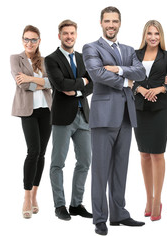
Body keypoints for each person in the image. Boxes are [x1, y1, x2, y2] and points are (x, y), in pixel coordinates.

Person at [82, 6, 146, 236]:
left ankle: (119, 214)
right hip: (103, 117)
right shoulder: (91, 47)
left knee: (120, 169)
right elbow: (97, 73)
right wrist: (126, 81)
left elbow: (141, 73)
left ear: (120, 23)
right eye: (107, 21)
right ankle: (100, 218)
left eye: (115, 21)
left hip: (126, 116)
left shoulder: (129, 50)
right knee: (100, 170)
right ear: (101, 23)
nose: (111, 25)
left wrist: (119, 68)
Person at [44, 20, 93, 221]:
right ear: (59, 36)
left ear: (76, 34)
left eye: (72, 33)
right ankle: (59, 205)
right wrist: (81, 82)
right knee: (58, 162)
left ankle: (76, 204)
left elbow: (93, 85)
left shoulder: (83, 58)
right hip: (63, 118)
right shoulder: (51, 59)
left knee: (85, 161)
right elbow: (60, 83)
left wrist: (76, 88)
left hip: (84, 117)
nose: (69, 37)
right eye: (65, 33)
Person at [132, 20, 167, 221]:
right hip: (139, 108)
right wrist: (141, 89)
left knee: (157, 154)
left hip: (160, 109)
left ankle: (158, 199)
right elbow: (128, 80)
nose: (153, 37)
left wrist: (159, 89)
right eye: (150, 33)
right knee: (143, 154)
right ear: (145, 35)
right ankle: (149, 199)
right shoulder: (134, 55)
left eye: (156, 34)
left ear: (161, 36)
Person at [10, 25, 52, 219]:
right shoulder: (15, 59)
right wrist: (39, 82)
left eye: (33, 39)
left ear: (39, 41)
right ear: (22, 40)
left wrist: (37, 80)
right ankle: (26, 197)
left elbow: (53, 83)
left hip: (47, 110)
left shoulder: (44, 61)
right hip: (28, 111)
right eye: (26, 39)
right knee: (33, 151)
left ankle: (35, 195)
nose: (30, 43)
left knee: (42, 153)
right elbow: (23, 84)